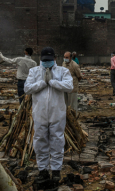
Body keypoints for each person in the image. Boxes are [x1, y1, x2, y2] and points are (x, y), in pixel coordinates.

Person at [24, 47, 73, 183]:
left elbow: (69, 86)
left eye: (49, 60)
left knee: (57, 140)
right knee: (40, 140)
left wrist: (52, 82)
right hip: (39, 112)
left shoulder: (63, 71)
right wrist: (42, 82)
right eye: (44, 60)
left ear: (55, 59)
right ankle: (43, 170)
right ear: (41, 59)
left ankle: (56, 170)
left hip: (57, 112)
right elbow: (27, 88)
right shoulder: (34, 71)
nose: (47, 63)